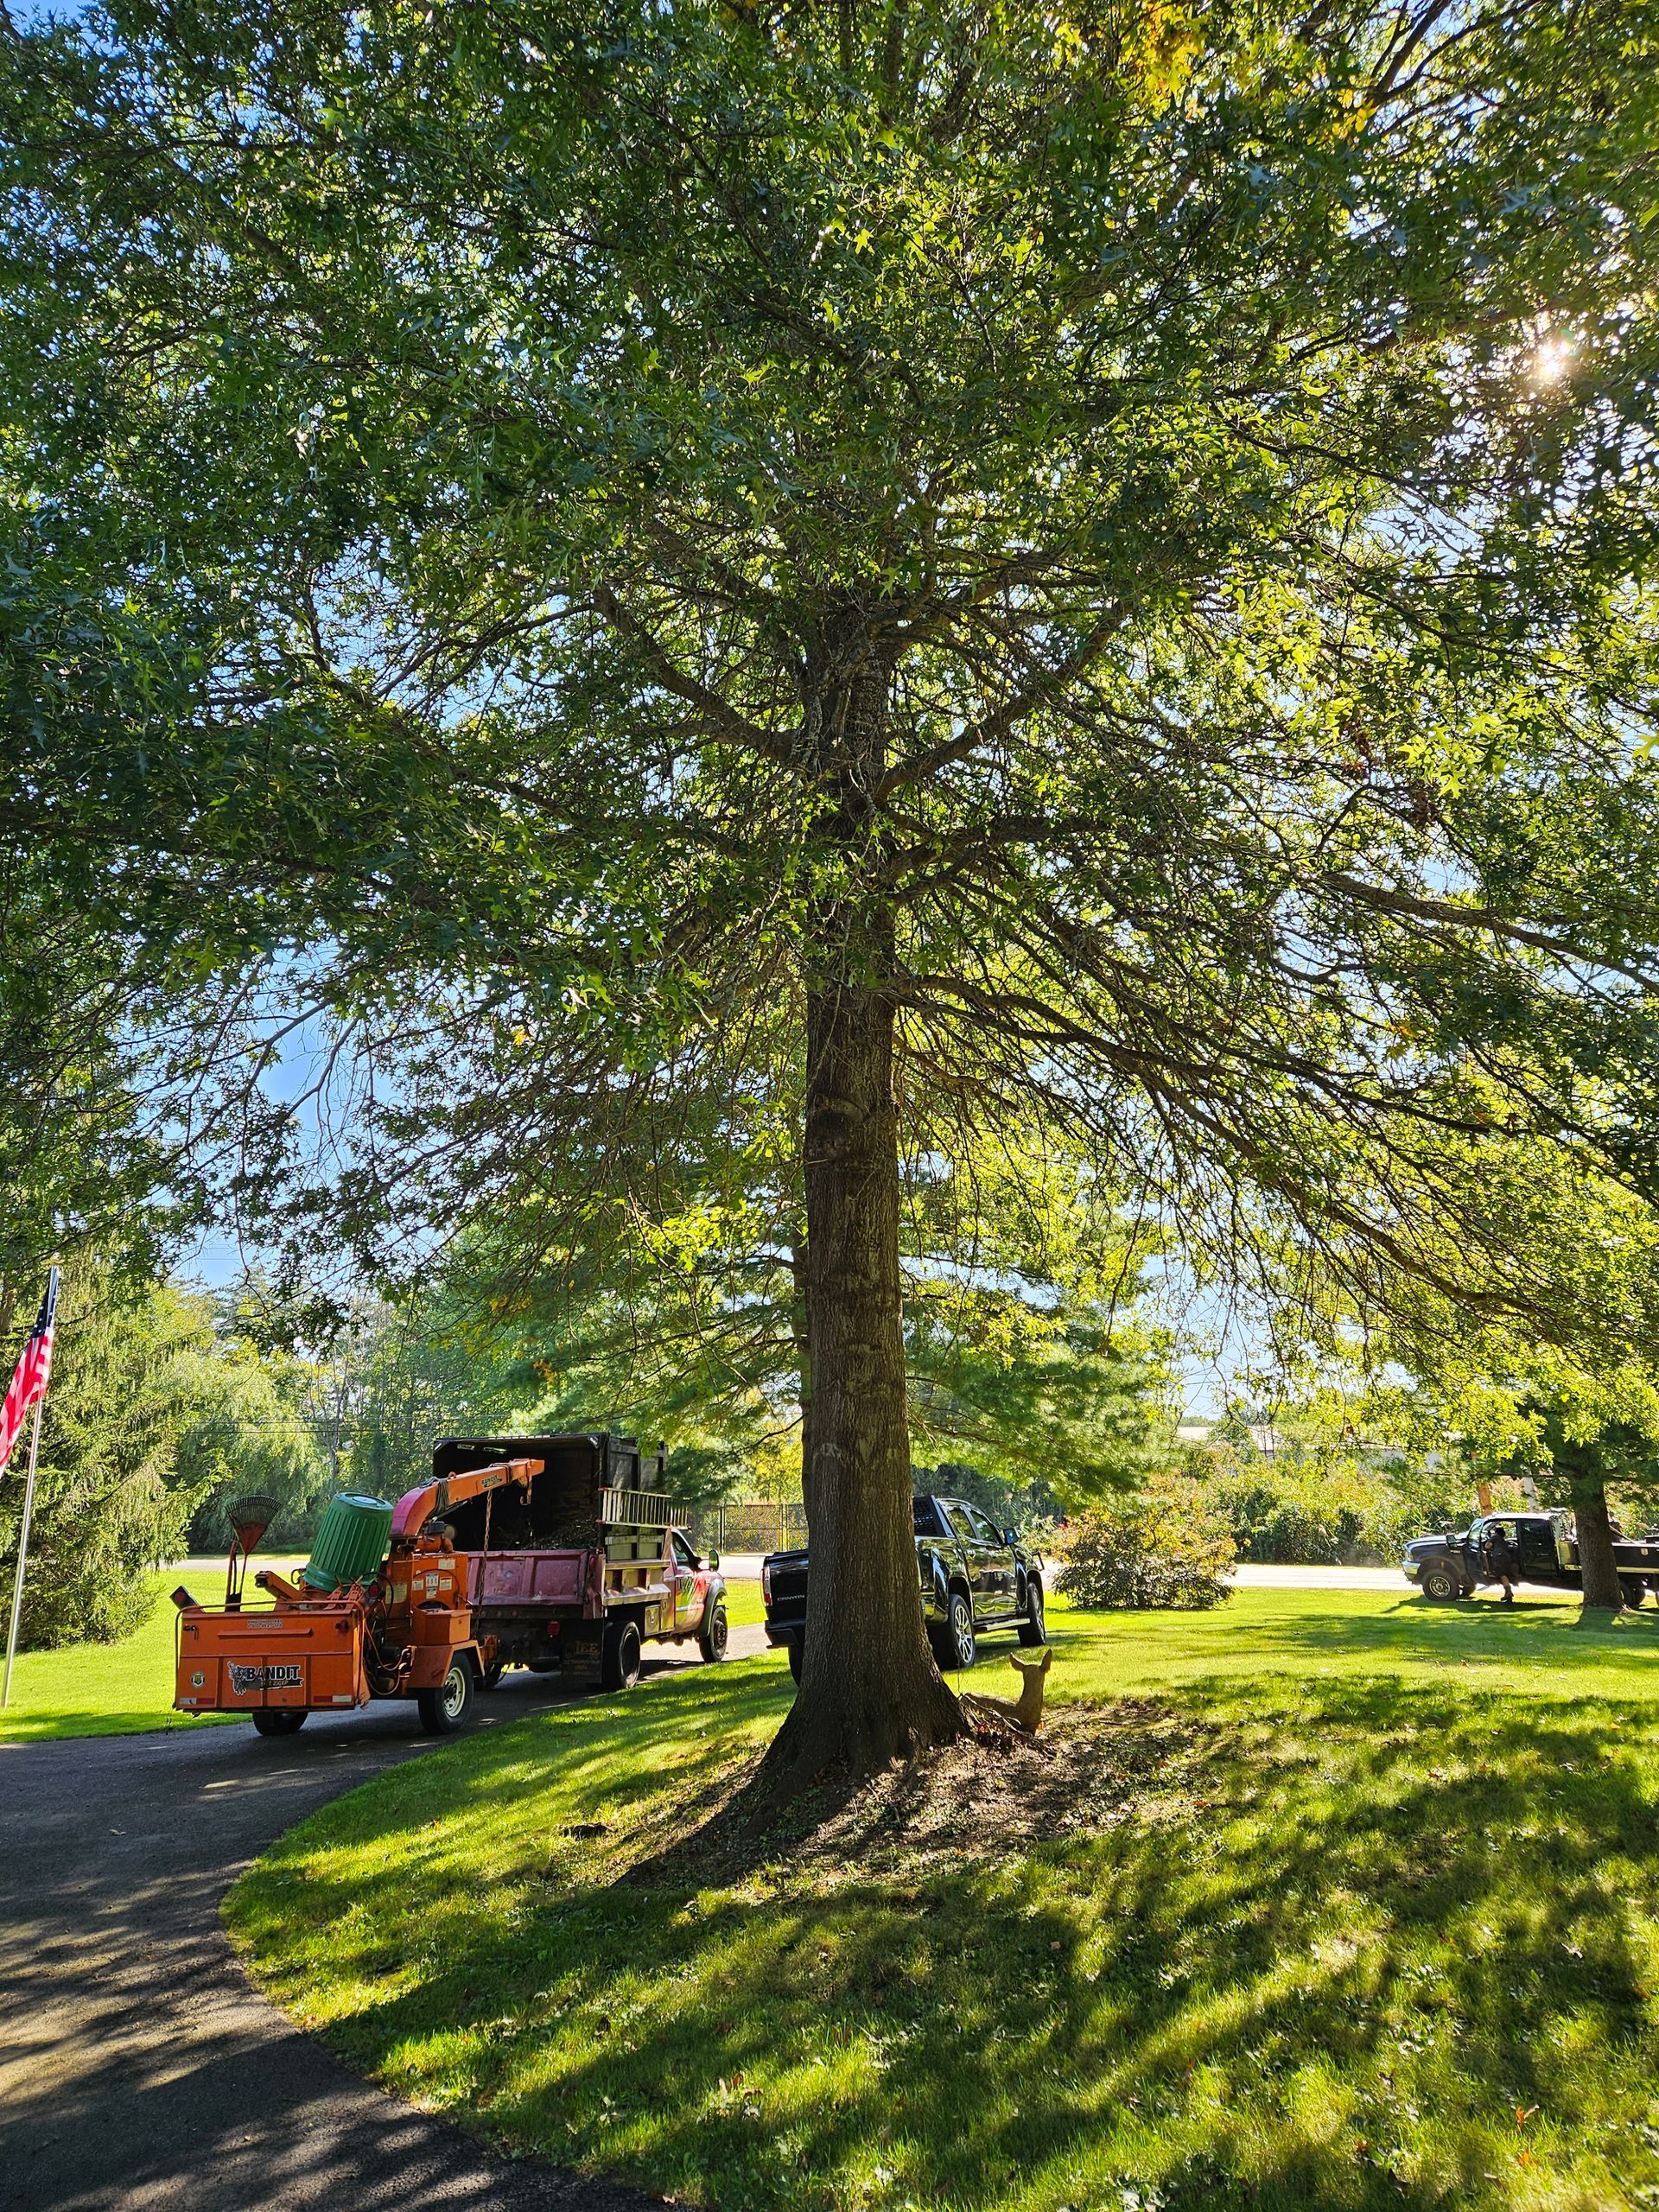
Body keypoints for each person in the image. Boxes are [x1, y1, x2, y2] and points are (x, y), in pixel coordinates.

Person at [1481, 1520, 1520, 1605]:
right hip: (1506, 1559)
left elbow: (1487, 1546)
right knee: (1504, 1575)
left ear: (1496, 1533)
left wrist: (1488, 1541)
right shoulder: (1503, 1541)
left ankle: (1509, 1592)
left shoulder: (1495, 1537)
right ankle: (1508, 1595)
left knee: (1502, 1575)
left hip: (1499, 1557)